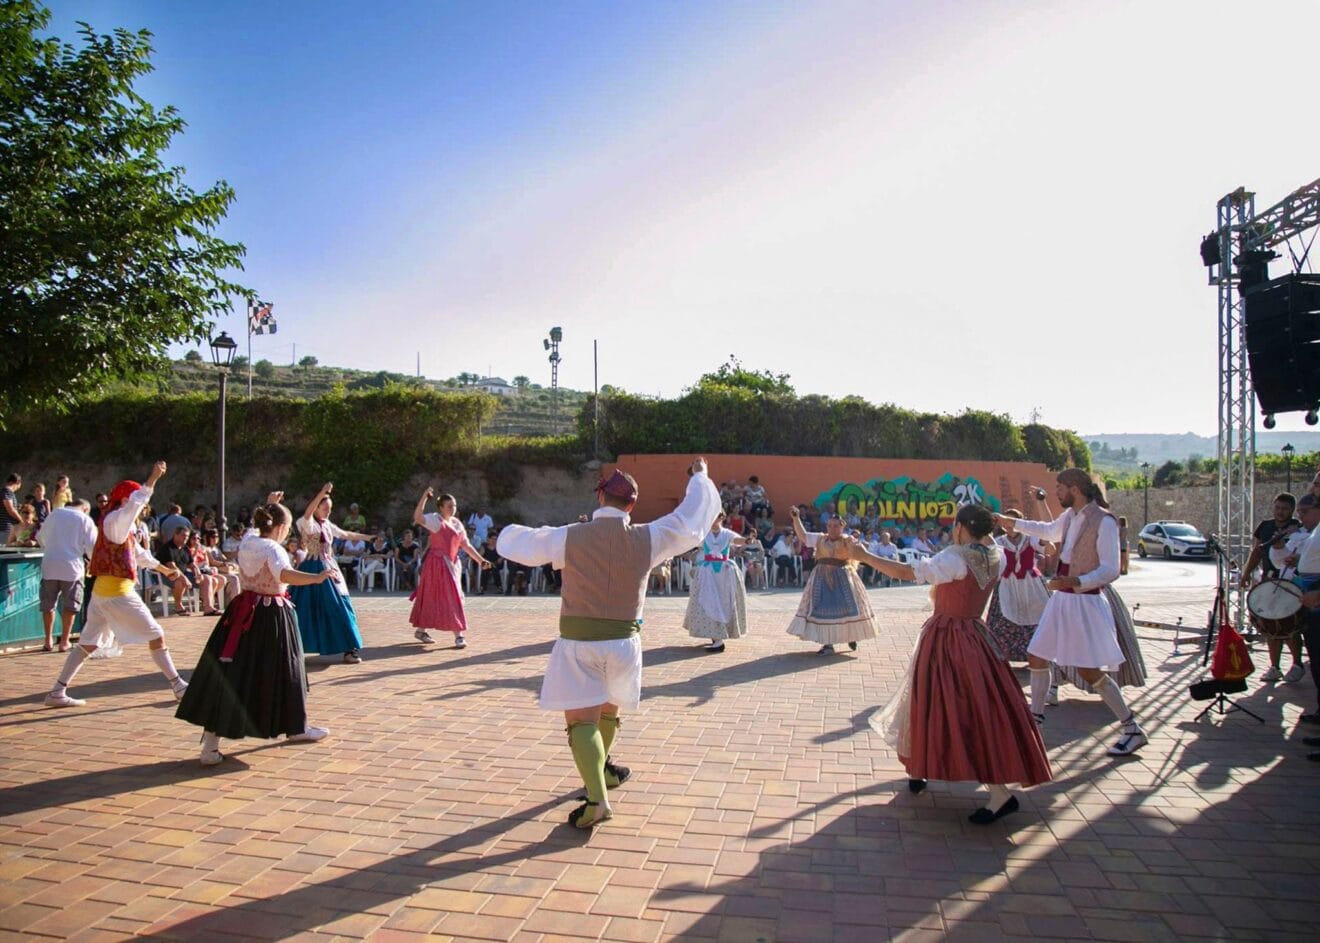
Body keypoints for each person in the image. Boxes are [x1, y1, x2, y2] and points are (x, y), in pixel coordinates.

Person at [497, 459, 720, 828]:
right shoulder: (651, 536)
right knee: (607, 712)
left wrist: (510, 528)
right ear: (631, 504)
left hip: (579, 643)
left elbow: (514, 542)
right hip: (625, 643)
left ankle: (597, 799)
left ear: (600, 496)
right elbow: (692, 519)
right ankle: (603, 771)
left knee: (581, 722)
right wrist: (699, 476)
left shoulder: (570, 535)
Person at [861, 504, 1052, 823]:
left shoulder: (954, 558)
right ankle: (922, 767)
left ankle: (999, 793)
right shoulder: (997, 554)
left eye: (955, 526)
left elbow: (907, 573)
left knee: (952, 707)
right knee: (961, 705)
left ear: (962, 528)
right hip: (975, 635)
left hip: (948, 638)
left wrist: (863, 555)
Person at [175, 500, 339, 765]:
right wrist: (316, 578)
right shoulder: (273, 548)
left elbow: (254, 529)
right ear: (282, 527)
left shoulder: (249, 541)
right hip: (271, 615)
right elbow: (284, 574)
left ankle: (211, 745)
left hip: (242, 613)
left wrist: (271, 504)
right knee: (288, 671)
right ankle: (297, 727)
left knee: (231, 674)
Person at [995, 468, 1146, 757]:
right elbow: (1048, 531)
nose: (1057, 492)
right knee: (1037, 655)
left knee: (1089, 671)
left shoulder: (1105, 521)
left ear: (1075, 488)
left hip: (1084, 602)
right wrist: (1011, 522)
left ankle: (1132, 728)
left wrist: (1078, 582)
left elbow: (1111, 569)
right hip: (1063, 599)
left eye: (1060, 487)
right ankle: (1035, 722)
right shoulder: (1071, 516)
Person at [43, 462, 189, 708]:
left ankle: (57, 691)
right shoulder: (116, 521)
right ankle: (178, 686)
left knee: (87, 644)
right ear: (125, 500)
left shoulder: (119, 524)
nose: (140, 509)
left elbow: (139, 554)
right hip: (117, 594)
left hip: (104, 593)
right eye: (133, 502)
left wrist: (165, 570)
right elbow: (136, 504)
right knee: (157, 635)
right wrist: (152, 478)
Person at [289, 483, 373, 664]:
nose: (328, 511)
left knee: (341, 605)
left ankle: (350, 648)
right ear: (317, 506)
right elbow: (308, 512)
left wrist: (367, 538)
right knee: (305, 608)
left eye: (330, 509)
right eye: (325, 508)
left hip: (329, 566)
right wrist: (322, 492)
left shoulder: (327, 524)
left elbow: (345, 534)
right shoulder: (308, 523)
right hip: (312, 567)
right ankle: (292, 647)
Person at [786, 506, 878, 655]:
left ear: (842, 527)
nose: (832, 528)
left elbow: (860, 550)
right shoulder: (820, 538)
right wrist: (796, 519)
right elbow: (803, 536)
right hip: (821, 578)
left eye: (836, 526)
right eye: (829, 526)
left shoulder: (847, 540)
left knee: (849, 609)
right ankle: (828, 645)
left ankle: (851, 636)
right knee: (823, 610)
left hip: (844, 578)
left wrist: (856, 543)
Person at [410, 488, 492, 648]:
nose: (452, 509)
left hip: (452, 565)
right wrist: (424, 497)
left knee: (442, 597)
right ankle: (459, 635)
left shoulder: (457, 523)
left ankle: (421, 630)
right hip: (436, 565)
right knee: (448, 597)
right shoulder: (435, 520)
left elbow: (466, 545)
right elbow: (418, 517)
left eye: (454, 506)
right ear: (441, 507)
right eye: (449, 506)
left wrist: (481, 560)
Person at [1269, 494, 1320, 739]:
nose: (1300, 516)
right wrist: (1289, 554)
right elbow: (1281, 560)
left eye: (1305, 512)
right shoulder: (1308, 533)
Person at [1241, 492, 1306, 683]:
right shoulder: (1265, 527)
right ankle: (1274, 667)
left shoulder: (1298, 529)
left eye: (1285, 509)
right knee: (1271, 626)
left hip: (1291, 583)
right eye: (1277, 507)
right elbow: (1257, 552)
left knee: (1290, 626)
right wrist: (1246, 573)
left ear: (1292, 511)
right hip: (1269, 581)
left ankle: (1296, 664)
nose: (1280, 512)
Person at [984, 510, 1050, 663]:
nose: (1009, 526)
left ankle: (1038, 655)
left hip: (1031, 585)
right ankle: (1002, 656)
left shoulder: (1030, 538)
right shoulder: (999, 542)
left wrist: (1046, 540)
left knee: (1039, 617)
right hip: (1007, 585)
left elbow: (1049, 549)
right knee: (1003, 620)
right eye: (1005, 522)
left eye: (1012, 522)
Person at [36, 500, 97, 653]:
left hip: (50, 564)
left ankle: (48, 639)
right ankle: (64, 641)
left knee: (48, 604)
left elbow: (41, 538)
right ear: (85, 508)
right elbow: (92, 547)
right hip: (72, 567)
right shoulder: (85, 519)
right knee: (70, 605)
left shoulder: (55, 513)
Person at [683, 512, 749, 653]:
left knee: (723, 602)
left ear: (722, 518)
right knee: (709, 601)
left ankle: (718, 638)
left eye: (717, 517)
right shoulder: (704, 533)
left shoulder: (726, 533)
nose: (714, 520)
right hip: (708, 574)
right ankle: (717, 639)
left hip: (724, 574)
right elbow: (691, 540)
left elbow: (738, 540)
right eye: (711, 517)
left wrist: (748, 540)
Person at [1, 473, 21, 545]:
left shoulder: (5, 492)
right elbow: (10, 510)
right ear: (17, 483)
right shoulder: (7, 491)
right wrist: (21, 520)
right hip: (5, 528)